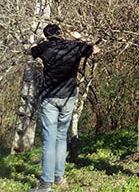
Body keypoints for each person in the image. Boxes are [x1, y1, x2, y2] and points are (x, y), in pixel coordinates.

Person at [27, 24, 100, 192]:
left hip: (50, 98)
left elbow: (31, 51)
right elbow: (95, 50)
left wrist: (37, 41)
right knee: (61, 137)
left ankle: (46, 183)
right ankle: (59, 176)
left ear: (47, 37)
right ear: (61, 34)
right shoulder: (74, 46)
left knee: (49, 140)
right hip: (68, 97)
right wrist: (80, 38)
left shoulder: (44, 47)